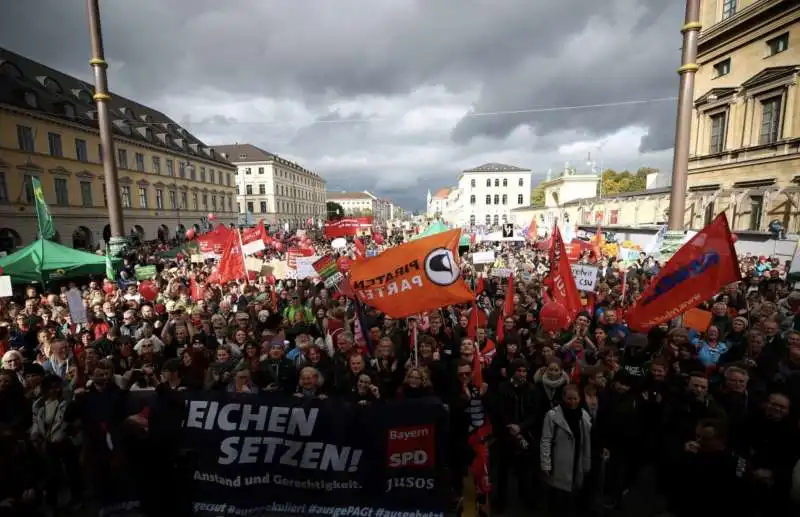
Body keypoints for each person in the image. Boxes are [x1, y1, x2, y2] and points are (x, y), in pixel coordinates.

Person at [540, 384, 592, 517]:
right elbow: (546, 440)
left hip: (577, 462)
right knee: (557, 499)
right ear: (563, 398)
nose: (572, 402)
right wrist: (546, 463)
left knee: (572, 499)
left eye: (575, 399)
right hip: (559, 463)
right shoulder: (552, 416)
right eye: (569, 399)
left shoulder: (584, 416)